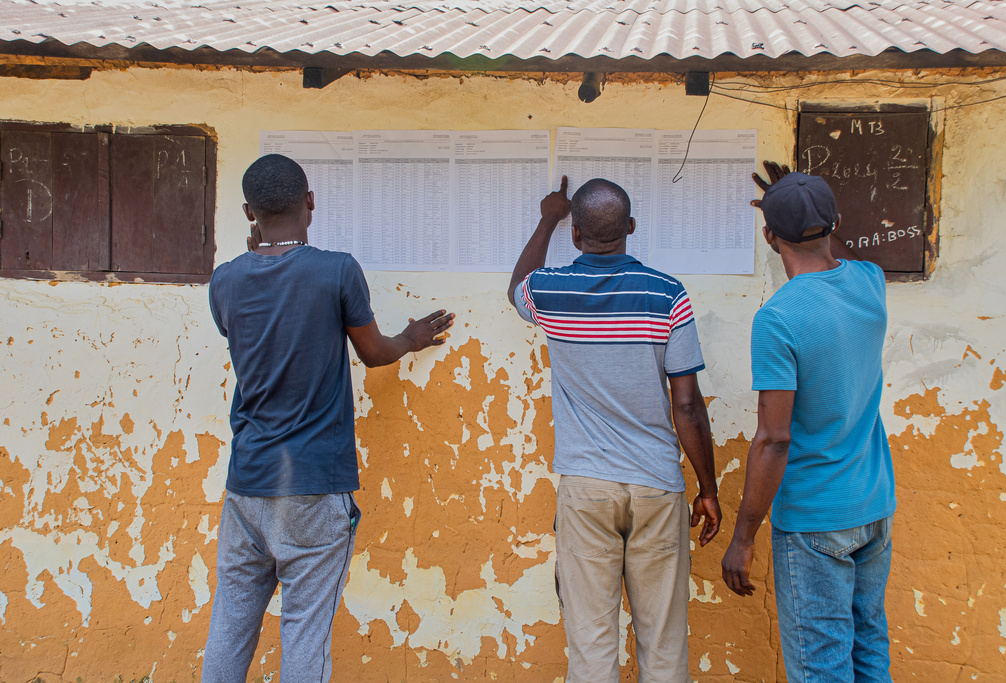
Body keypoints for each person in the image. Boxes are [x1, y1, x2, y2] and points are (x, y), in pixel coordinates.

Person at [203, 154, 455, 682]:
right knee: (304, 634)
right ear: (310, 203)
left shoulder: (225, 281)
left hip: (246, 487)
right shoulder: (335, 270)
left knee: (228, 629)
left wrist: (257, 255)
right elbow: (373, 352)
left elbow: (258, 329)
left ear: (249, 212)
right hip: (314, 486)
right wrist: (411, 338)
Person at [508, 176, 722, 682]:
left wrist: (548, 218)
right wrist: (708, 490)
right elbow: (687, 405)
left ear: (577, 235)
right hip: (656, 486)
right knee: (665, 645)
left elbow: (516, 286)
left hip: (586, 492)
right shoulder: (668, 293)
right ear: (630, 227)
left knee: (591, 645)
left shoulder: (551, 290)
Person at [721, 164, 897, 681]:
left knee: (822, 668)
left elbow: (774, 439)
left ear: (768, 236)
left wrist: (744, 536)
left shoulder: (778, 318)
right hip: (873, 505)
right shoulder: (871, 282)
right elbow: (834, 251)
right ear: (835, 221)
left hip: (817, 520)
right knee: (869, 652)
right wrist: (805, 200)